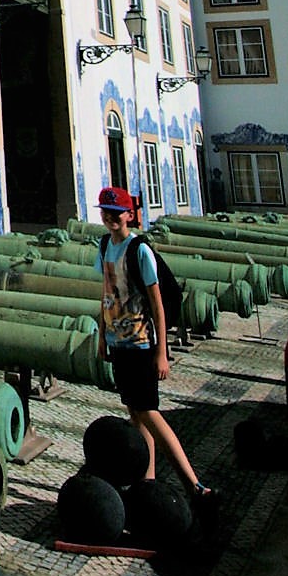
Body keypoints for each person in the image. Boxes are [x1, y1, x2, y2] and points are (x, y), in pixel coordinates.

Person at [94, 185, 214, 509]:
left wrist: (162, 352)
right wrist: (102, 335)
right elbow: (105, 295)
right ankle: (147, 482)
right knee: (136, 414)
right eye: (106, 212)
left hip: (141, 343)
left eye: (116, 213)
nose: (110, 218)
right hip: (118, 342)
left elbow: (157, 305)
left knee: (149, 412)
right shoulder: (104, 246)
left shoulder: (140, 251)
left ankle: (194, 485)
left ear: (128, 215)